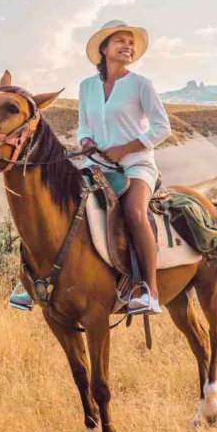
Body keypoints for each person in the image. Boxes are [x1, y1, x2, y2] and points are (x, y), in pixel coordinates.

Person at [77, 20, 172, 314]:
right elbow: (82, 126)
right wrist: (87, 141)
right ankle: (36, 281)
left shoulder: (141, 85)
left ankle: (150, 291)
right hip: (96, 164)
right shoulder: (86, 87)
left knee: (134, 211)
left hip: (136, 163)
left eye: (131, 43)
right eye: (120, 40)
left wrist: (126, 148)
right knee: (57, 202)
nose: (128, 46)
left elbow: (162, 128)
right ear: (104, 49)